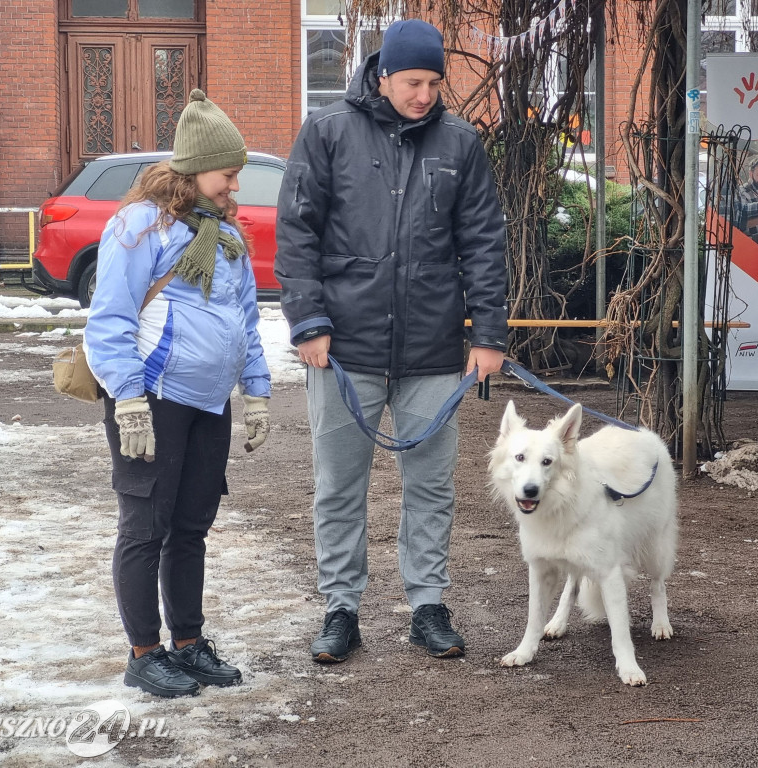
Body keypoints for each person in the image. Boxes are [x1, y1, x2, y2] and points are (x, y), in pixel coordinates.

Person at [274, 18, 508, 664]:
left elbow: (485, 245)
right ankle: (340, 609)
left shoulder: (460, 145)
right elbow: (296, 235)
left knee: (432, 484)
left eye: (434, 83)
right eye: (413, 82)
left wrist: (488, 335)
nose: (425, 95)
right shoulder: (327, 134)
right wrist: (308, 322)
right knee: (339, 484)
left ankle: (427, 604)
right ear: (383, 76)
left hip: (434, 349)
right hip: (343, 349)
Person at [84, 89, 272, 697]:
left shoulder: (225, 233)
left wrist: (258, 392)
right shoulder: (141, 224)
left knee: (191, 528)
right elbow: (109, 317)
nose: (234, 185)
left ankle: (187, 645)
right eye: (228, 173)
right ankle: (145, 652)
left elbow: (246, 321)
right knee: (146, 527)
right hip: (153, 400)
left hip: (208, 405)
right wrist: (129, 396)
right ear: (194, 169)